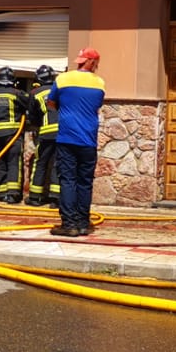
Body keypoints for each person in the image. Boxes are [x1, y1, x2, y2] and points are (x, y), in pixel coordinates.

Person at [47, 47, 104, 237]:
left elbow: (51, 103)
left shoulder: (62, 79)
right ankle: (83, 223)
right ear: (93, 63)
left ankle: (69, 224)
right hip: (89, 140)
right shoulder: (99, 84)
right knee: (85, 182)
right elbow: (95, 106)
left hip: (67, 138)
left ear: (83, 61)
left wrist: (66, 109)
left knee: (68, 180)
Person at [0, 67, 29, 204]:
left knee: (0, 163)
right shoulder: (17, 93)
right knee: (14, 162)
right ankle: (13, 194)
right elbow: (29, 104)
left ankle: (1, 193)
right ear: (12, 80)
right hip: (12, 134)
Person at [25, 64, 59, 207]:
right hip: (63, 132)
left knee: (41, 163)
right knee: (59, 164)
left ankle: (34, 197)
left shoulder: (35, 92)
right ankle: (56, 199)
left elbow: (32, 116)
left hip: (45, 132)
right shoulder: (60, 91)